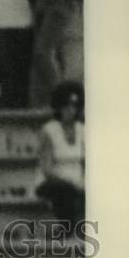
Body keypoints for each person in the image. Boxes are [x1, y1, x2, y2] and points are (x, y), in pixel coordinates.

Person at [35, 81, 85, 235]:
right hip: (53, 181)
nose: (71, 110)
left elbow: (88, 163)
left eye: (74, 106)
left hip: (78, 180)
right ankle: (67, 228)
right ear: (59, 107)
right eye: (67, 105)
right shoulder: (49, 130)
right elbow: (47, 170)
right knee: (64, 190)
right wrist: (71, 183)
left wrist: (82, 182)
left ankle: (67, 229)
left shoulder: (82, 130)